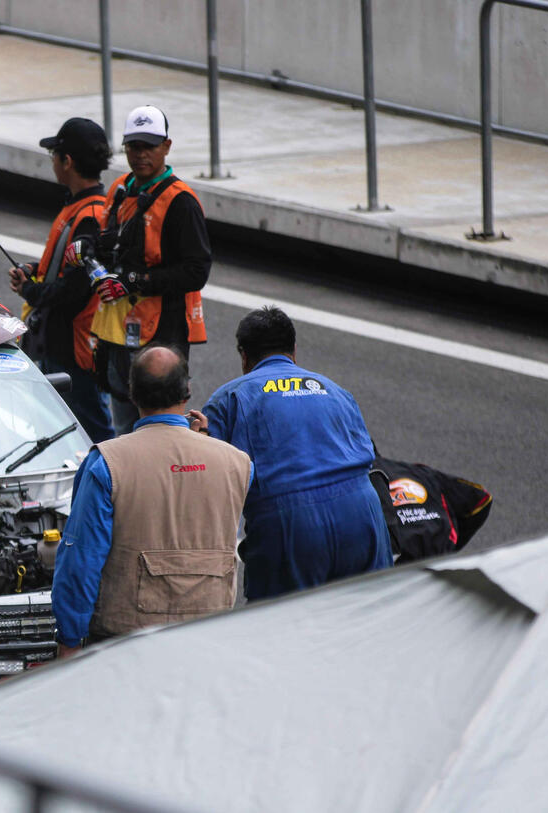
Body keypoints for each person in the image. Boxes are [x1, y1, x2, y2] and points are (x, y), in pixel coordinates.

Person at [51, 345, 251, 653]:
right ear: (187, 391)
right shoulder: (237, 463)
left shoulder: (106, 464)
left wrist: (69, 638)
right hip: (209, 635)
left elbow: (81, 561)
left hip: (125, 641)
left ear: (132, 394)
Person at [193, 306, 392, 600]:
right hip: (363, 514)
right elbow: (366, 455)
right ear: (294, 350)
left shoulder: (230, 398)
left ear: (244, 356)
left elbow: (212, 482)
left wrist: (198, 442)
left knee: (283, 632)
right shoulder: (336, 390)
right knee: (366, 625)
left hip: (292, 524)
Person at [77, 104, 211, 434]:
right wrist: (90, 254)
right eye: (133, 146)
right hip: (118, 333)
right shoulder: (121, 188)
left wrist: (134, 281)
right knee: (124, 422)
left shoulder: (181, 202)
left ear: (166, 146)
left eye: (149, 146)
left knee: (163, 426)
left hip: (161, 336)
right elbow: (107, 239)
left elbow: (196, 271)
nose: (140, 155)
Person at [8, 117, 113, 442]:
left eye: (55, 154)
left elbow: (74, 288)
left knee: (91, 433)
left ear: (67, 161)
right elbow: (66, 266)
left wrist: (30, 289)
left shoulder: (90, 217)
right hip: (66, 344)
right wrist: (35, 268)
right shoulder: (81, 208)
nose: (52, 161)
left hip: (76, 348)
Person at [371, 450, 492, 563]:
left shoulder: (360, 485)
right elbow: (481, 498)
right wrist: (453, 545)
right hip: (437, 560)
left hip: (394, 568)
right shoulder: (419, 471)